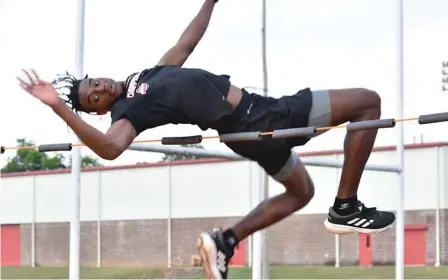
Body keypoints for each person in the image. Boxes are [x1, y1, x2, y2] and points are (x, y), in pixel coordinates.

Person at [18, 0, 395, 278]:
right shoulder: (127, 114)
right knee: (367, 104)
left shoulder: (144, 78)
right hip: (258, 118)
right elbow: (111, 148)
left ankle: (226, 241)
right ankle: (346, 207)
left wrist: (210, 1)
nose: (99, 86)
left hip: (249, 125)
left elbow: (185, 44)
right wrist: (58, 107)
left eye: (94, 82)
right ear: (99, 110)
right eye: (93, 96)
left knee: (301, 191)